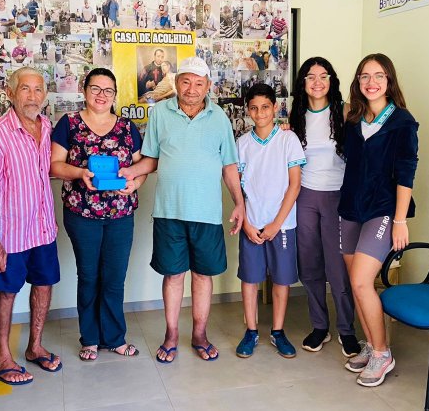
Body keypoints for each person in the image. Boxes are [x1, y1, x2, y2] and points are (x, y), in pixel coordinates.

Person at [119, 57, 245, 363]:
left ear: (208, 87)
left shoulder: (220, 118)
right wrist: (131, 175)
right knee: (173, 275)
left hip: (207, 213)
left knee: (203, 275)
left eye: (199, 83)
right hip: (169, 212)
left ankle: (200, 335)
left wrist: (240, 203)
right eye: (186, 82)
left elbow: (229, 166)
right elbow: (151, 158)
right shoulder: (160, 112)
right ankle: (171, 334)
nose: (191, 89)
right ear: (176, 83)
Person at [50, 68, 146, 362]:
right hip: (82, 213)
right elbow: (55, 166)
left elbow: (142, 165)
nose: (102, 95)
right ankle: (90, 338)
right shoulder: (69, 124)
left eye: (108, 90)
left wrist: (134, 184)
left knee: (115, 278)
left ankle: (115, 338)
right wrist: (80, 173)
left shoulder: (128, 128)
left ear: (115, 95)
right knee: (89, 276)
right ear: (84, 89)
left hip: (120, 213)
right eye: (96, 89)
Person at [0, 67, 62, 385]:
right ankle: (2, 358)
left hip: (42, 229)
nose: (32, 96)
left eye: (38, 89)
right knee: (8, 292)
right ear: (9, 93)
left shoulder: (47, 126)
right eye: (25, 89)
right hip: (9, 234)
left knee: (43, 285)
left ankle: (35, 347)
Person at [341, 54, 419, 387]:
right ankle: (371, 344)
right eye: (364, 76)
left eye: (378, 75)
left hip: (383, 210)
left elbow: (406, 174)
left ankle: (383, 353)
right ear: (357, 83)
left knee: (361, 281)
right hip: (350, 208)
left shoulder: (402, 122)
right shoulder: (353, 118)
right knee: (356, 286)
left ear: (389, 80)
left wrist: (400, 221)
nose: (371, 82)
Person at [289, 57, 362, 357]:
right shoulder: (294, 117)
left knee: (338, 269)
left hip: (338, 197)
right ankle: (320, 326)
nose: (317, 82)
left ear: (331, 80)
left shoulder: (345, 112)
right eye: (310, 77)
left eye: (323, 76)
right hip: (304, 195)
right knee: (310, 265)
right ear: (302, 83)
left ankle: (347, 330)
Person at [234, 83, 305, 359]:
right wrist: (247, 223)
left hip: (282, 224)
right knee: (250, 279)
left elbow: (295, 185)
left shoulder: (288, 140)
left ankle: (277, 331)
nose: (260, 113)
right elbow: (238, 188)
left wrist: (276, 223)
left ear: (275, 108)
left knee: (281, 280)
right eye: (254, 108)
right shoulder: (242, 144)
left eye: (265, 107)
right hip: (251, 223)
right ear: (247, 110)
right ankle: (251, 331)